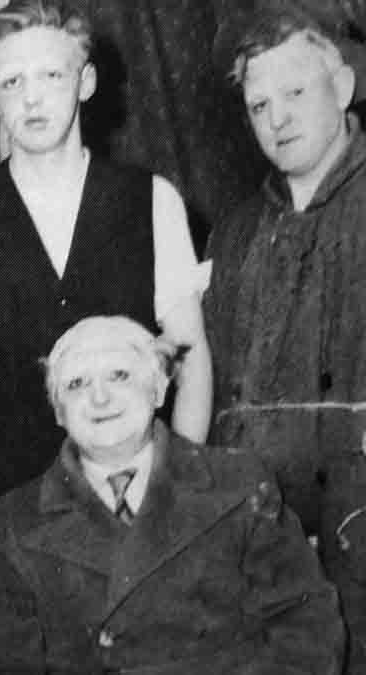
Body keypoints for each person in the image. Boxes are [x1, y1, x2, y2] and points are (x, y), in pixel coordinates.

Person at [0, 0, 213, 516]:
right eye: (12, 82)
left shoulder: (151, 200)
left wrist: (176, 499)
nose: (31, 98)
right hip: (8, 516)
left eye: (51, 75)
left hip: (137, 506)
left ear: (86, 82)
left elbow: (190, 360)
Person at [0, 315, 342, 673]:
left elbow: (308, 627)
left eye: (119, 376)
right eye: (77, 384)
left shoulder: (239, 482)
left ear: (158, 389)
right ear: (58, 412)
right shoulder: (11, 524)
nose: (100, 397)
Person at [205, 2, 366, 668]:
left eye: (295, 92)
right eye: (258, 105)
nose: (278, 119)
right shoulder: (235, 232)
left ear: (344, 87)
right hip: (265, 553)